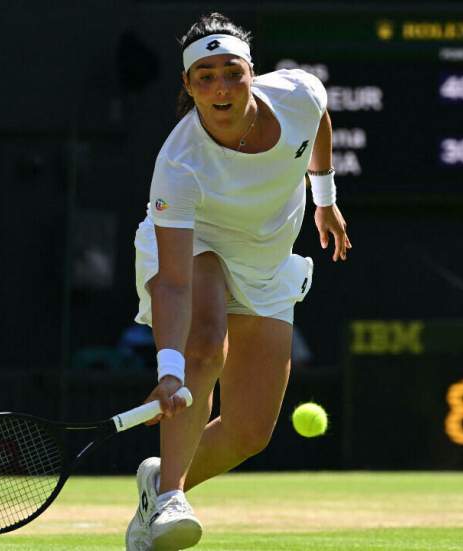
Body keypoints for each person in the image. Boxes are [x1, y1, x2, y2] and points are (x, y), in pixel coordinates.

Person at [125, 13, 351, 550]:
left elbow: (319, 120)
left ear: (252, 72)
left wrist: (326, 199)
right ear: (189, 86)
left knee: (249, 432)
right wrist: (170, 368)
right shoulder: (178, 166)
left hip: (267, 260)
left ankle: (157, 486)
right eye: (205, 76)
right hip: (197, 244)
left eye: (232, 71)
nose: (221, 87)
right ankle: (172, 500)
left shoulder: (299, 93)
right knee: (206, 343)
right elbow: (174, 281)